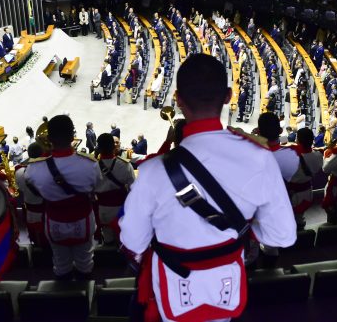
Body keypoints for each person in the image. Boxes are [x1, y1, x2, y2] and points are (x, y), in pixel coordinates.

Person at [119, 54, 296, 322]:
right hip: (227, 285)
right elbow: (282, 236)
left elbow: (133, 241)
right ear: (228, 96)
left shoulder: (152, 171)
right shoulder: (260, 157)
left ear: (177, 100)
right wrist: (242, 229)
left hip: (174, 291)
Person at [25, 115, 102, 279]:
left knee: (60, 262)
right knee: (85, 261)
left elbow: (31, 184)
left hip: (54, 222)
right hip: (83, 220)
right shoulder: (90, 164)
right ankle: (86, 293)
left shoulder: (34, 168)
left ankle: (64, 295)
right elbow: (96, 186)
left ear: (49, 138)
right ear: (73, 136)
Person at [94, 133, 135, 244]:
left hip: (102, 210)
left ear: (99, 148)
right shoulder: (125, 165)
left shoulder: (93, 167)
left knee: (108, 240)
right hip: (121, 210)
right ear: (114, 147)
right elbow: (134, 189)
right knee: (123, 240)